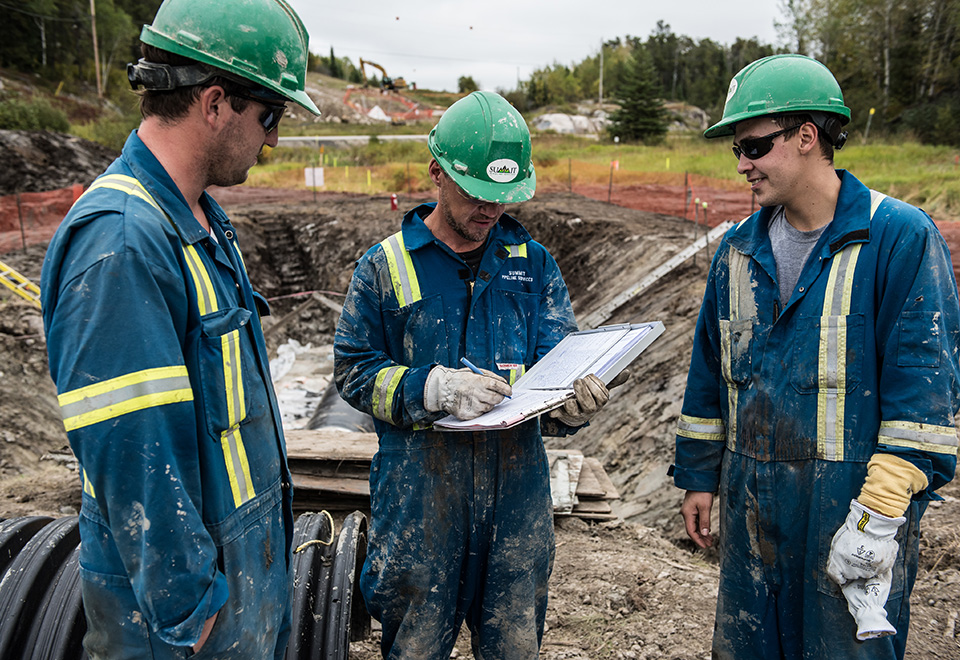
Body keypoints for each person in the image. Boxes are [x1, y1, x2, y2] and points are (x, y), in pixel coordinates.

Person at [40, 0, 320, 657]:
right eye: (269, 115)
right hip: (178, 630)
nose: (273, 138)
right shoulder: (122, 242)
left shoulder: (197, 225)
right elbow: (133, 452)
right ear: (215, 103)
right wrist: (191, 610)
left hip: (234, 593)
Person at [671, 53, 960, 659]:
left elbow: (924, 391)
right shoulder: (738, 250)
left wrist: (880, 513)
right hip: (752, 502)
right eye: (736, 151)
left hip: (849, 508)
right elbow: (709, 369)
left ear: (807, 137)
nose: (743, 164)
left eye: (753, 145)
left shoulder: (898, 237)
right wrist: (699, 475)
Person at [334, 90, 618, 659]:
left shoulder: (532, 265)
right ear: (437, 173)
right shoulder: (386, 267)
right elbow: (353, 371)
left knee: (513, 647)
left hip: (517, 504)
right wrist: (431, 389)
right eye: (478, 194)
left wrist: (569, 406)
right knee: (415, 647)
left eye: (504, 197)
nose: (491, 210)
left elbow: (555, 367)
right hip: (421, 503)